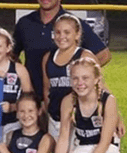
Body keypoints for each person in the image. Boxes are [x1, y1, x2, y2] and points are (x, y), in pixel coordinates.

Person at [13, 0, 111, 108]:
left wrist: (80, 73)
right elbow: (12, 56)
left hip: (68, 97)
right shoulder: (25, 23)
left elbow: (104, 54)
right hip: (33, 98)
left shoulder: (71, 23)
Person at [42, 14, 100, 142]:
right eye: (58, 32)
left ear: (77, 34)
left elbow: (101, 88)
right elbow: (47, 89)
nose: (61, 36)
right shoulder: (48, 58)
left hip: (78, 120)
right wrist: (49, 112)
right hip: (56, 119)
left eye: (67, 32)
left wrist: (116, 118)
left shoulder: (84, 56)